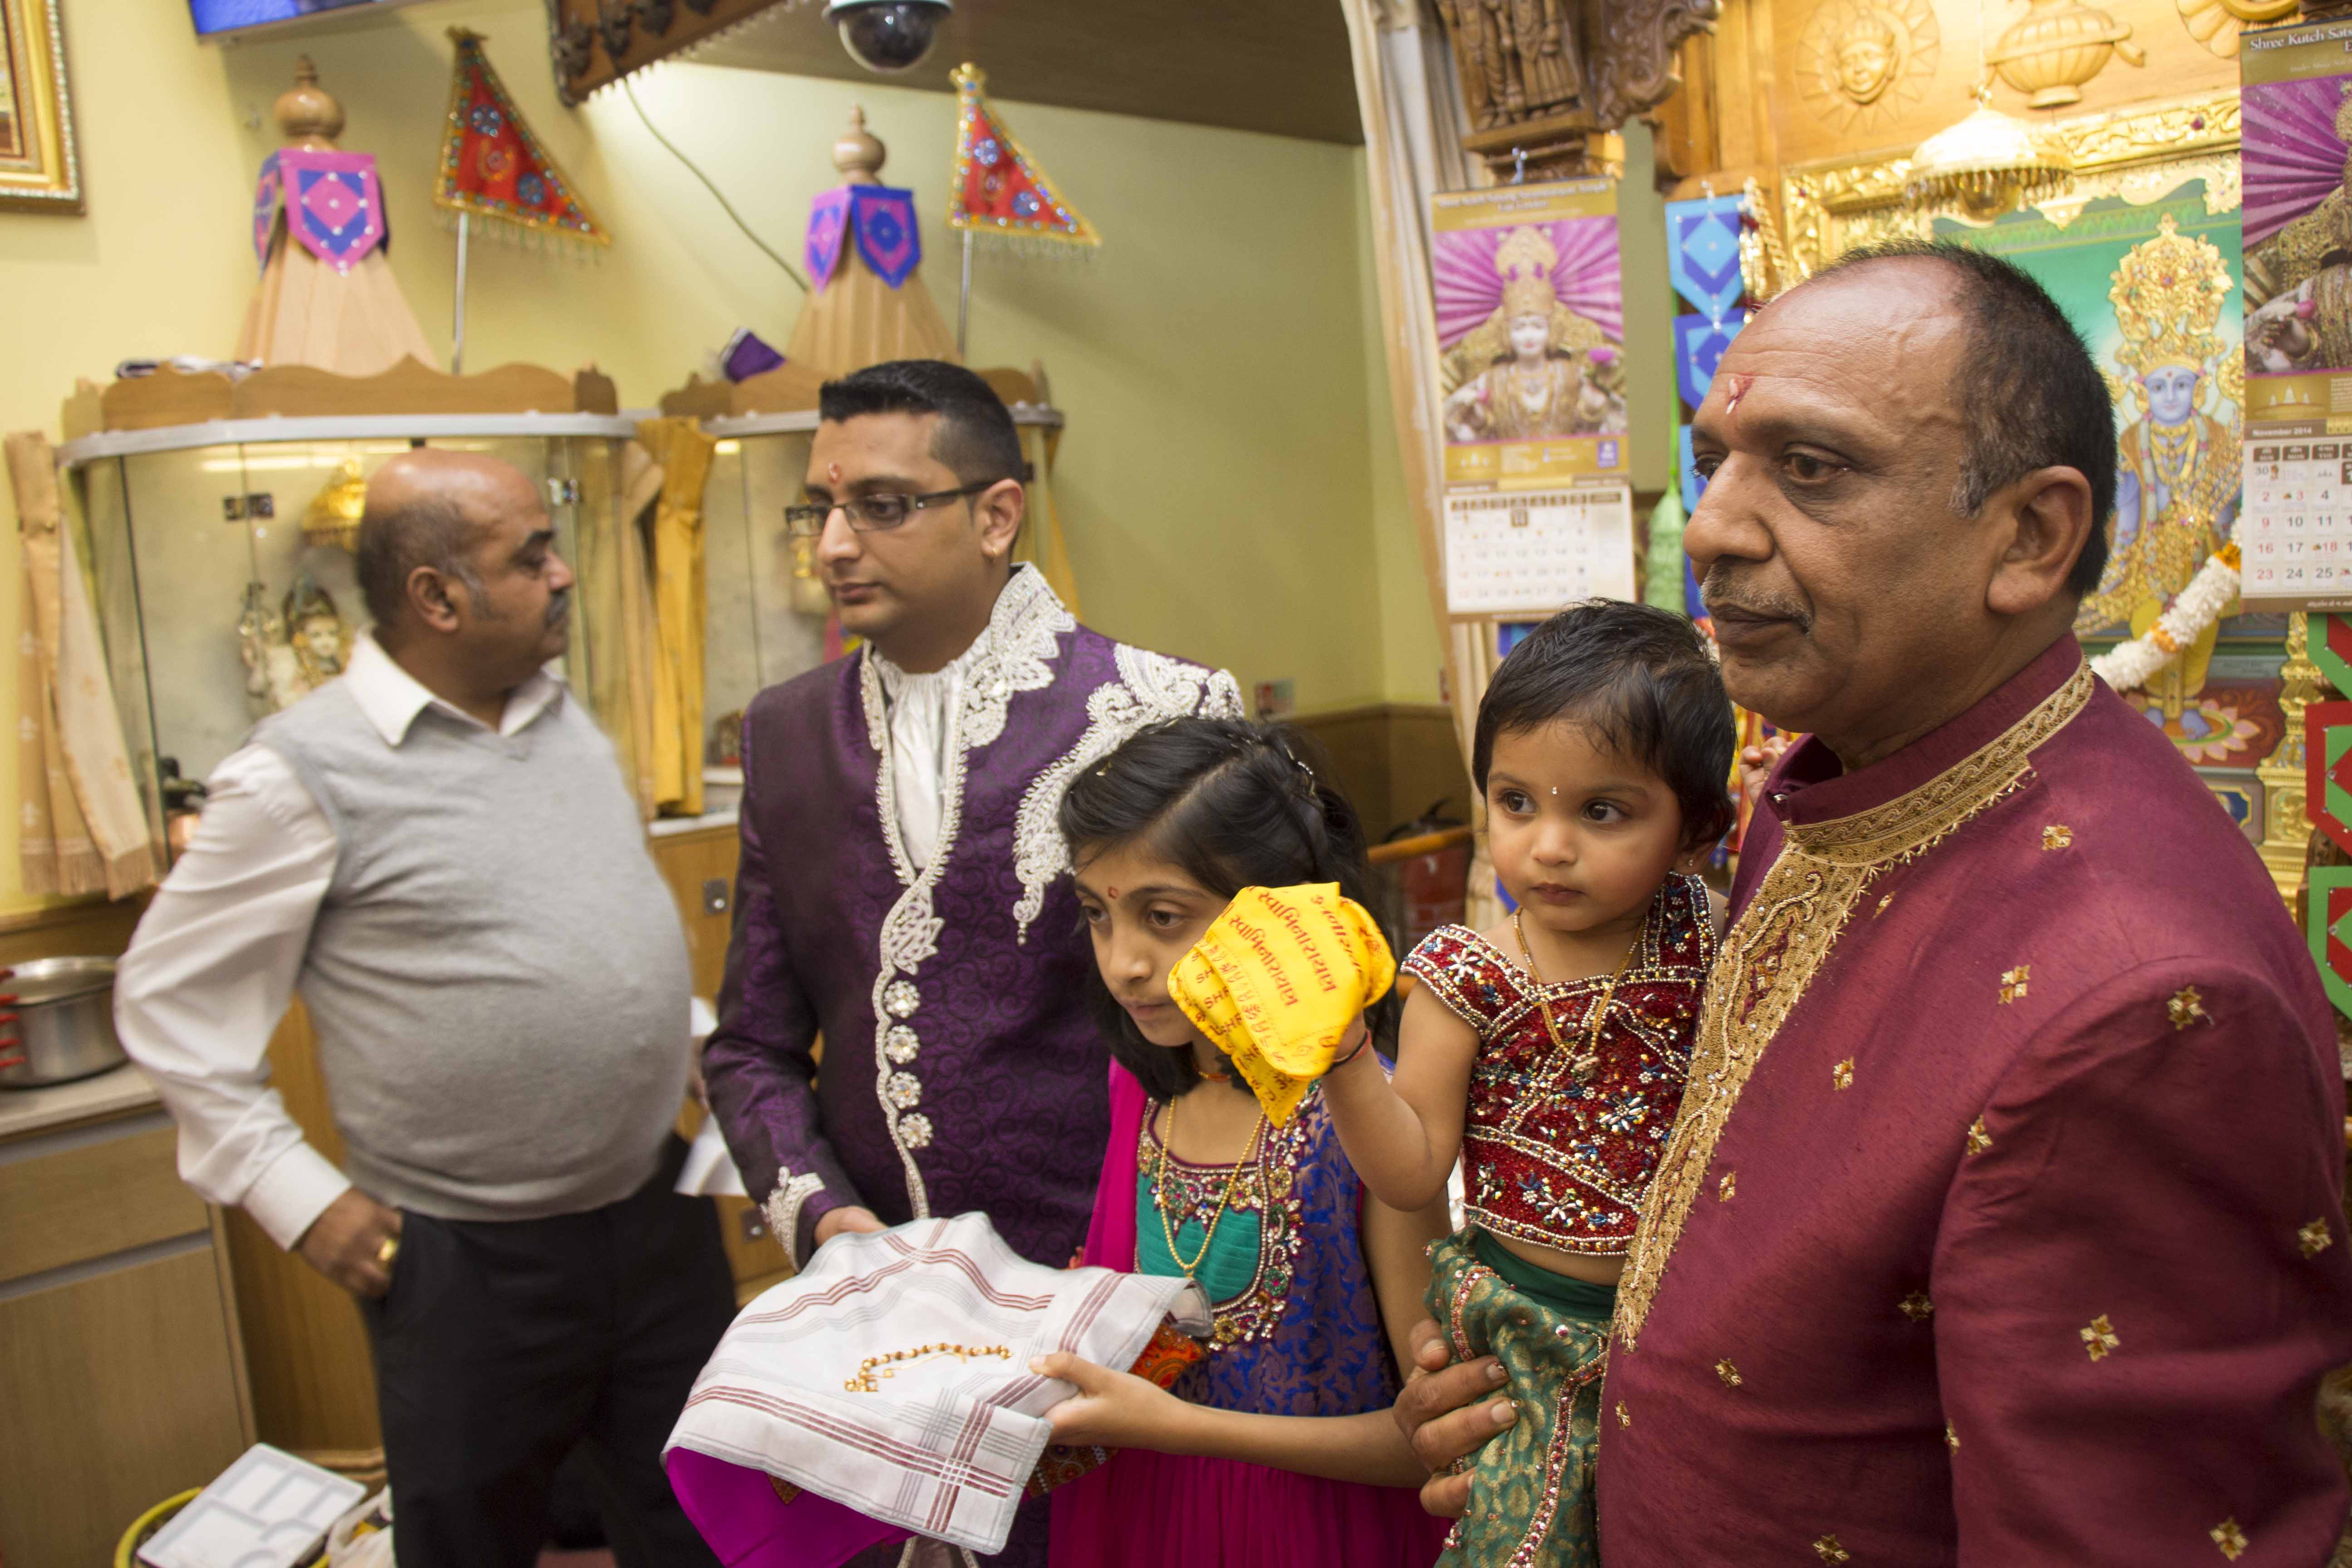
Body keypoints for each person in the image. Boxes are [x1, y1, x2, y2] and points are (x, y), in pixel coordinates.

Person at [1396, 240, 2352, 1562]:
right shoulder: (1824, 790)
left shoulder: (2143, 1005)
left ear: (2029, 537)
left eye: (1810, 468)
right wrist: (1551, 1402)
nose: (1719, 524)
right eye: (1720, 454)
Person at [115, 449, 735, 1568]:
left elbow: (599, 927)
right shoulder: (298, 774)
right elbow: (169, 1010)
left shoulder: (565, 721)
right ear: (437, 597)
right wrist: (302, 1201)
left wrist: (682, 1041)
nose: (562, 576)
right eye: (530, 556)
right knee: (473, 1543)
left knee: (704, 1518)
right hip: (465, 1265)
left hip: (652, 1219)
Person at [699, 360, 1239, 1568]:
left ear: (996, 515)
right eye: (820, 509)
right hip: (888, 1335)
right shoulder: (783, 733)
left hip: (1118, 1318)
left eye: (882, 505)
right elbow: (750, 1043)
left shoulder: (1160, 707)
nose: (836, 543)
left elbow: (1244, 1045)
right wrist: (827, 1220)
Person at [1317, 602, 1729, 1567]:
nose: (1547, 846)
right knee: (1525, 1544)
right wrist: (1339, 1063)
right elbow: (1414, 1172)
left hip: (1687, 1325)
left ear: (1695, 826)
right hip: (1527, 1336)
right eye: (1516, 803)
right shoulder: (1465, 976)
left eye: (1601, 811)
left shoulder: (1711, 933)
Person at [1029, 716, 1452, 1568]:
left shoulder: (1368, 1129)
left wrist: (1186, 1430)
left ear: (1281, 917)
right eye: (1099, 916)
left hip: (1316, 1536)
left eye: (1163, 917)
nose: (1124, 964)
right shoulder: (1141, 1090)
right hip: (1138, 1523)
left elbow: (1433, 1438)